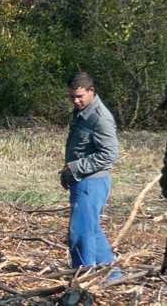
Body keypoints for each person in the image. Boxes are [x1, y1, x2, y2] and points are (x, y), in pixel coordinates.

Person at [59, 72, 119, 270]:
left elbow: (109, 154)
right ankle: (111, 275)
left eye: (80, 96)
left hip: (92, 182)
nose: (75, 101)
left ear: (91, 91)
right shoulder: (81, 112)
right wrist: (69, 172)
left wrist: (75, 168)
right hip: (82, 181)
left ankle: (82, 279)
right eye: (72, 97)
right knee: (91, 229)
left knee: (80, 233)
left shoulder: (99, 117)